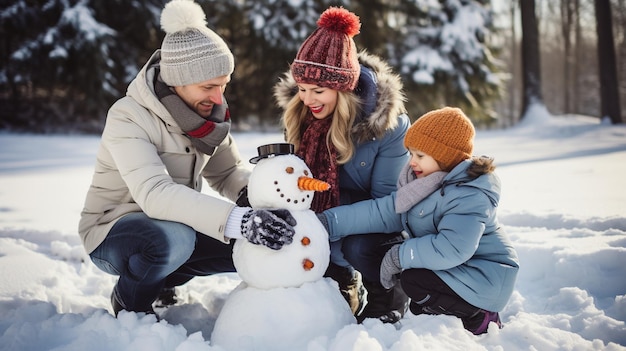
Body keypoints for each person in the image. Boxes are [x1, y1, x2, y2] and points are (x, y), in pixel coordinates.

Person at [78, 0, 297, 319]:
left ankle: (160, 280)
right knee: (174, 240)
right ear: (175, 80)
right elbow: (154, 193)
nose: (219, 98)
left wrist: (260, 200)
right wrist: (240, 220)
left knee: (244, 246)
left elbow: (227, 174)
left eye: (223, 86)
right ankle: (130, 302)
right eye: (208, 87)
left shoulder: (209, 117)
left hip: (173, 223)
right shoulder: (129, 116)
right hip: (113, 229)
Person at [318, 107, 520, 334]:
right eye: (411, 153)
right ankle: (435, 313)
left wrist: (400, 255)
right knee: (411, 286)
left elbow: (453, 247)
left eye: (420, 155)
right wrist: (327, 222)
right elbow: (380, 212)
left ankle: (480, 315)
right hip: (457, 270)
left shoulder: (469, 194)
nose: (412, 162)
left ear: (444, 156)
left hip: (484, 277)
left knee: (415, 281)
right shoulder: (422, 186)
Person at [273, 7, 411, 323]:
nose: (308, 100)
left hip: (368, 228)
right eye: (303, 90)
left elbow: (391, 207)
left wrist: (328, 222)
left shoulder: (388, 128)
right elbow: (286, 178)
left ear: (344, 89)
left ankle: (387, 296)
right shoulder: (300, 118)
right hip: (319, 217)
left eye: (318, 91)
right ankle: (341, 283)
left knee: (361, 246)